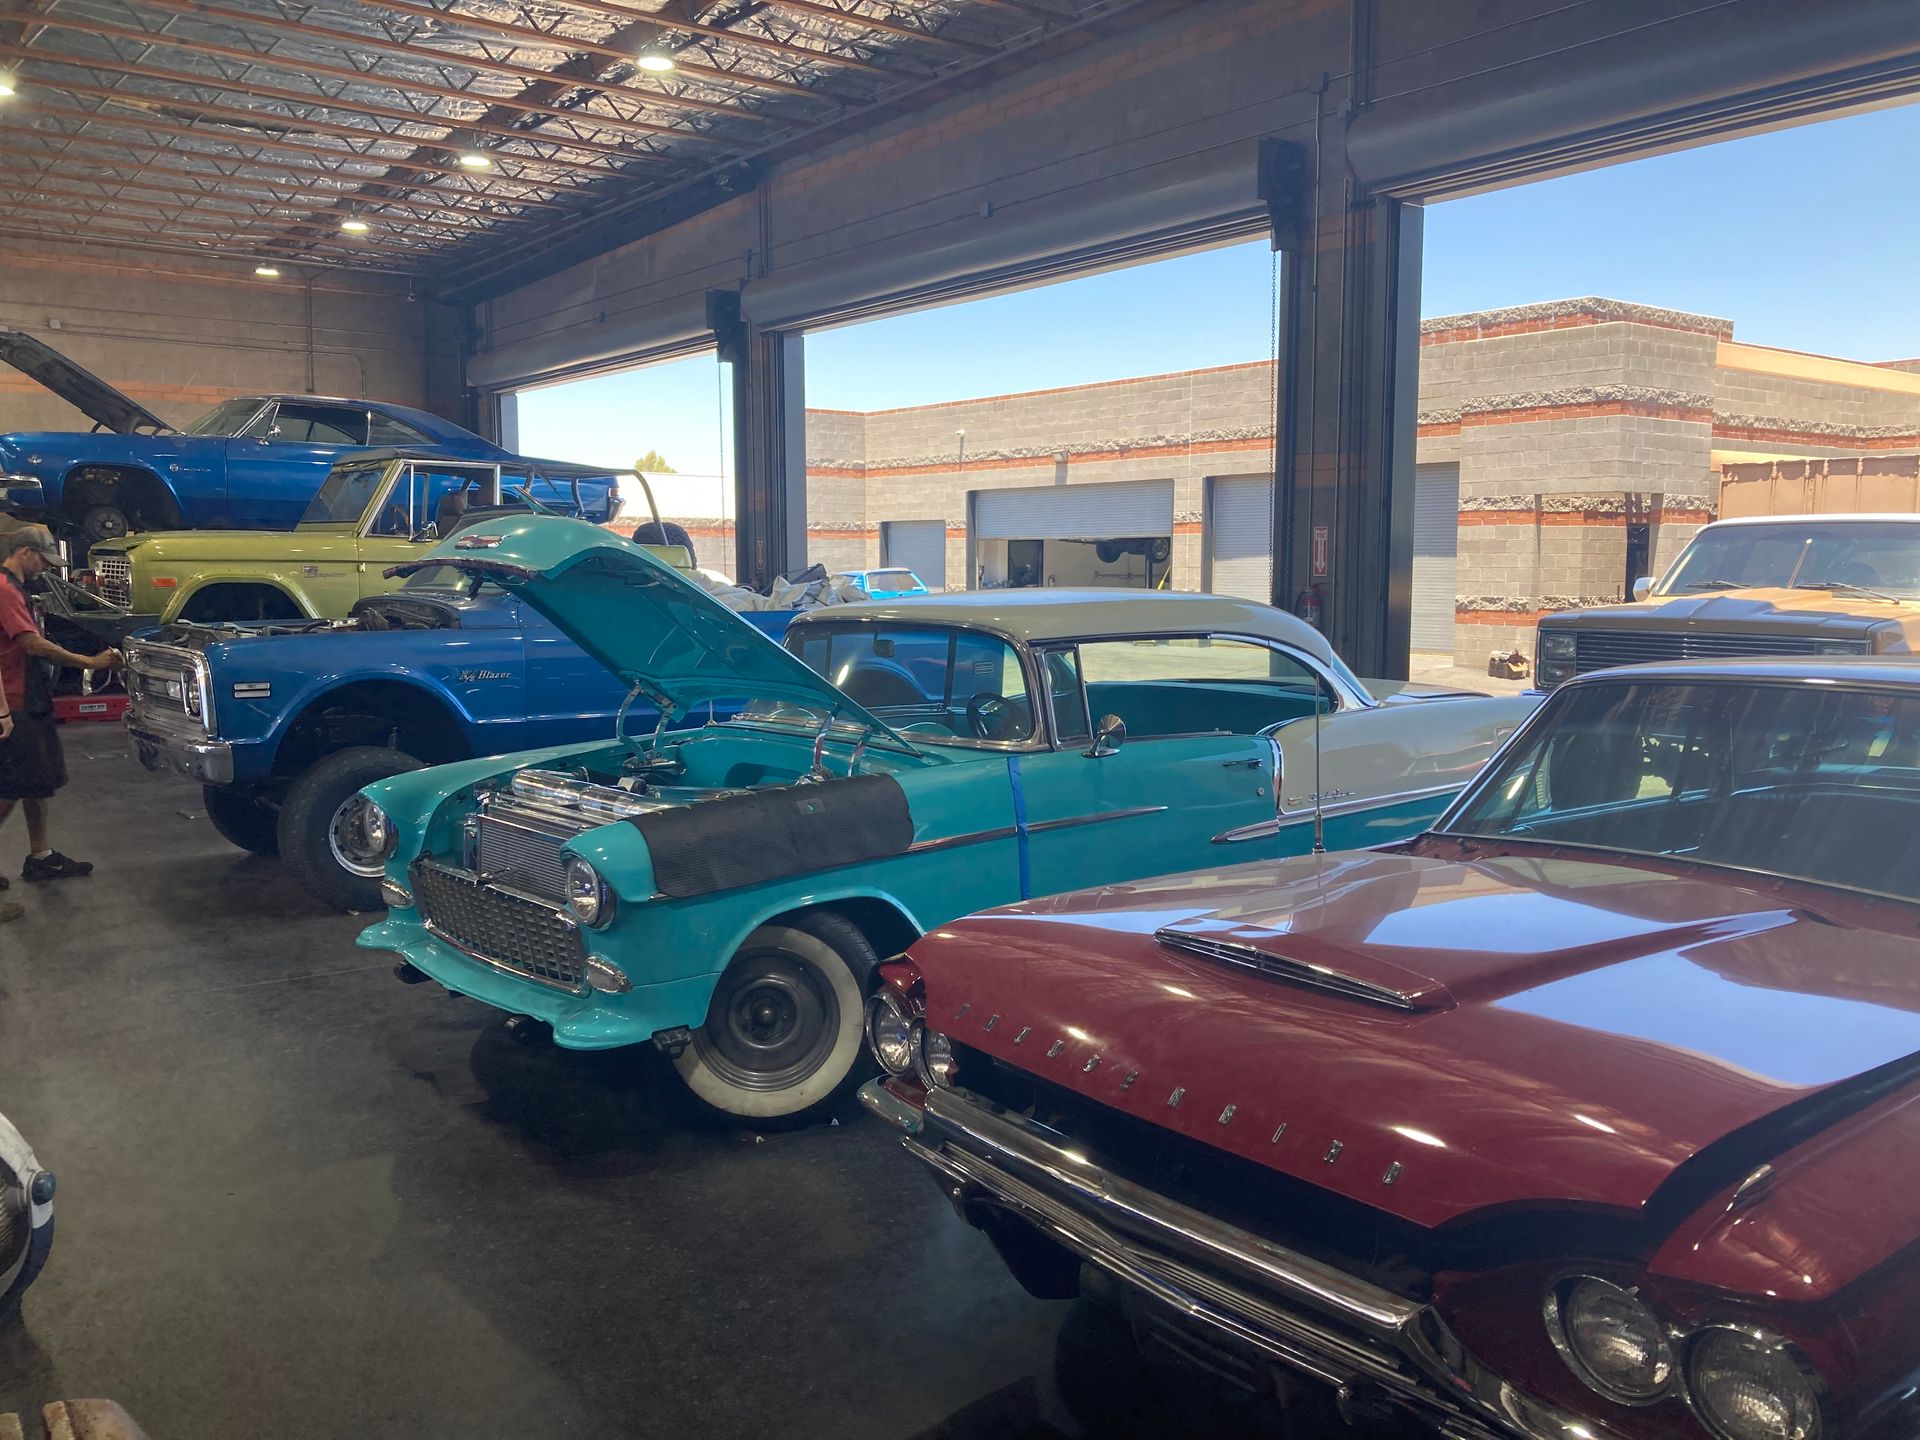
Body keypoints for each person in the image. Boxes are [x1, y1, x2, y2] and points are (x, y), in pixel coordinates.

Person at [0, 523, 120, 922]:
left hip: (30, 696)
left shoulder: (20, 589)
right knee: (9, 789)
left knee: (40, 781)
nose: (45, 569)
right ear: (26, 553)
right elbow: (31, 644)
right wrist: (89, 661)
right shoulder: (3, 589)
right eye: (43, 561)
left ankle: (41, 856)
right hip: (12, 700)